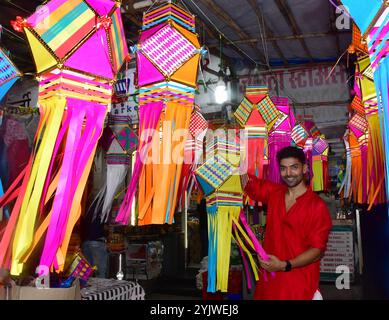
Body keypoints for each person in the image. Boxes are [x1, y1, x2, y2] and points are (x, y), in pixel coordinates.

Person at [245, 146, 332, 300]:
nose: (288, 173)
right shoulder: (275, 193)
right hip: (269, 283)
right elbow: (248, 182)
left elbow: (317, 251)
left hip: (298, 284)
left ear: (305, 168)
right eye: (283, 168)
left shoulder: (317, 206)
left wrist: (284, 265)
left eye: (294, 167)